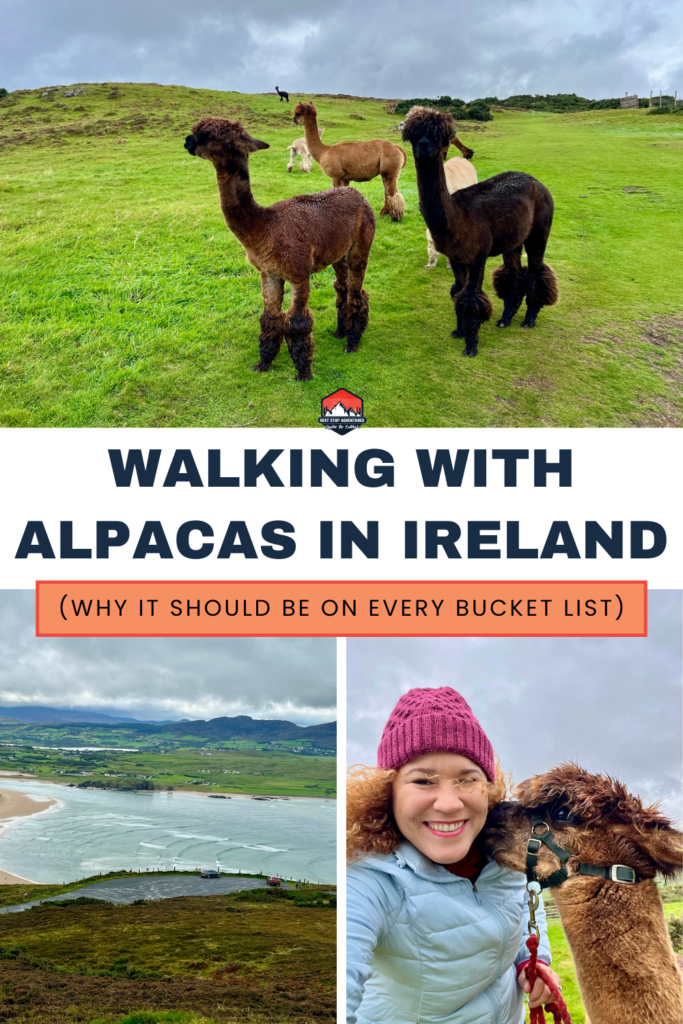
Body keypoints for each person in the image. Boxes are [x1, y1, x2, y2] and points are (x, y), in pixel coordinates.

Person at [347, 686, 561, 1024]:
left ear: (488, 787)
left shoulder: (503, 851)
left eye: (467, 780)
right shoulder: (368, 880)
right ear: (388, 792)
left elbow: (526, 902)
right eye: (423, 781)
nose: (448, 803)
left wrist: (533, 962)